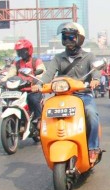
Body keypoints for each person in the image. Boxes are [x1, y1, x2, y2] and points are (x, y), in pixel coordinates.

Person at [31, 22, 102, 163]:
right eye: (65, 37)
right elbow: (48, 74)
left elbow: (96, 72)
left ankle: (93, 147)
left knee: (92, 115)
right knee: (46, 114)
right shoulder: (58, 58)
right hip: (61, 95)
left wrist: (95, 80)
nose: (68, 41)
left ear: (79, 38)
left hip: (82, 95)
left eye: (71, 37)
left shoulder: (89, 56)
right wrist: (38, 84)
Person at [2, 39, 45, 123]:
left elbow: (41, 73)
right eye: (19, 51)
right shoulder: (17, 64)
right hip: (19, 90)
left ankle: (39, 119)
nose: (21, 53)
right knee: (7, 102)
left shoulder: (36, 61)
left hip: (33, 90)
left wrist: (36, 82)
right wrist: (2, 81)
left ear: (29, 50)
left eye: (23, 51)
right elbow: (10, 74)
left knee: (33, 100)